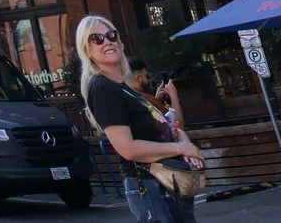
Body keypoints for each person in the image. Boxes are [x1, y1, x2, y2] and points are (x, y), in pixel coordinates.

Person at [76, 15, 204, 223]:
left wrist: (186, 145)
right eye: (96, 38)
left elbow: (170, 128)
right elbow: (127, 148)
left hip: (169, 181)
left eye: (111, 35)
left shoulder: (124, 88)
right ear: (87, 50)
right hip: (148, 185)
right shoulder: (102, 88)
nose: (107, 41)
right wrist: (181, 149)